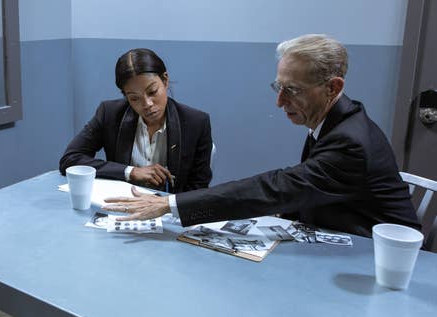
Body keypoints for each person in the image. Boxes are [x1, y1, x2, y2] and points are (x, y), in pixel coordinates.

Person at [103, 34, 420, 238]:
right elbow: (302, 191)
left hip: (380, 256)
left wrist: (170, 205)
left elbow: (280, 187)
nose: (279, 102)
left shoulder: (351, 141)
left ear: (333, 87)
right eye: (278, 87)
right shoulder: (332, 121)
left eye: (291, 90)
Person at [59, 48, 212, 193]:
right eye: (134, 98)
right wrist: (130, 172)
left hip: (169, 213)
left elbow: (199, 189)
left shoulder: (196, 123)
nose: (147, 104)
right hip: (121, 207)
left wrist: (164, 204)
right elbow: (70, 159)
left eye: (152, 92)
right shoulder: (110, 114)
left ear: (165, 80)